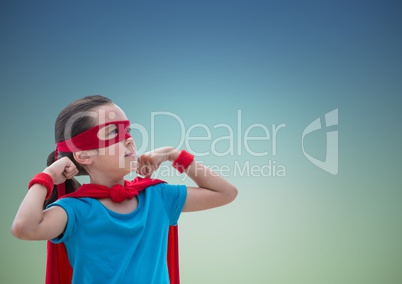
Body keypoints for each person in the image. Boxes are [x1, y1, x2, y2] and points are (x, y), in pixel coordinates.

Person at [11, 95, 238, 283]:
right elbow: (24, 228)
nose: (129, 140)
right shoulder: (75, 210)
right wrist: (49, 175)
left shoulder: (156, 196)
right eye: (113, 133)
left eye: (128, 131)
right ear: (84, 155)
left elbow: (225, 193)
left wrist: (174, 155)